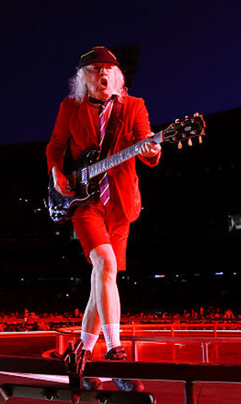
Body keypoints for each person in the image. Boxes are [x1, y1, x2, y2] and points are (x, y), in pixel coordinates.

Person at [46, 46, 161, 391]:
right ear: (84, 79)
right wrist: (56, 174)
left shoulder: (135, 106)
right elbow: (54, 146)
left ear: (117, 76)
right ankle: (115, 353)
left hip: (121, 206)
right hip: (85, 203)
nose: (102, 75)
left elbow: (146, 142)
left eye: (108, 70)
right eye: (95, 70)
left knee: (102, 277)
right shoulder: (70, 108)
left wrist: (154, 149)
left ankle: (81, 351)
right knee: (105, 265)